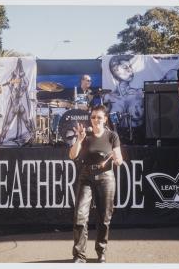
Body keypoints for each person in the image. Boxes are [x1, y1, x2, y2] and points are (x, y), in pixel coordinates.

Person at [69, 105, 123, 263]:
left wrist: (115, 158)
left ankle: (101, 252)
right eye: (93, 117)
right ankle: (79, 256)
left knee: (104, 217)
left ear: (105, 118)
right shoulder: (85, 135)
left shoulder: (112, 136)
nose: (95, 120)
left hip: (106, 177)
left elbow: (119, 160)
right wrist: (78, 140)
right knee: (80, 216)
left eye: (99, 117)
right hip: (86, 176)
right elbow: (72, 155)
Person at [104, 55, 143, 128]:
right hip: (118, 135)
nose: (130, 70)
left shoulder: (138, 93)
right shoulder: (110, 97)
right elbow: (108, 120)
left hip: (137, 134)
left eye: (130, 67)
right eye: (125, 67)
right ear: (115, 70)